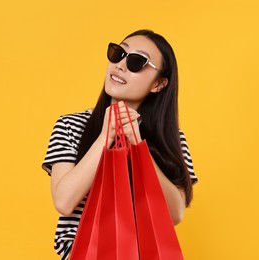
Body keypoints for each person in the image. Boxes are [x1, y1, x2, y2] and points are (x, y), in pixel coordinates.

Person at [42, 29, 198, 260]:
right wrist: (107, 135)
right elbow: (64, 201)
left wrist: (138, 145)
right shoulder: (70, 125)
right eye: (118, 53)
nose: (121, 65)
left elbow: (174, 214)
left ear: (158, 84)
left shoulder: (172, 138)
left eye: (137, 62)